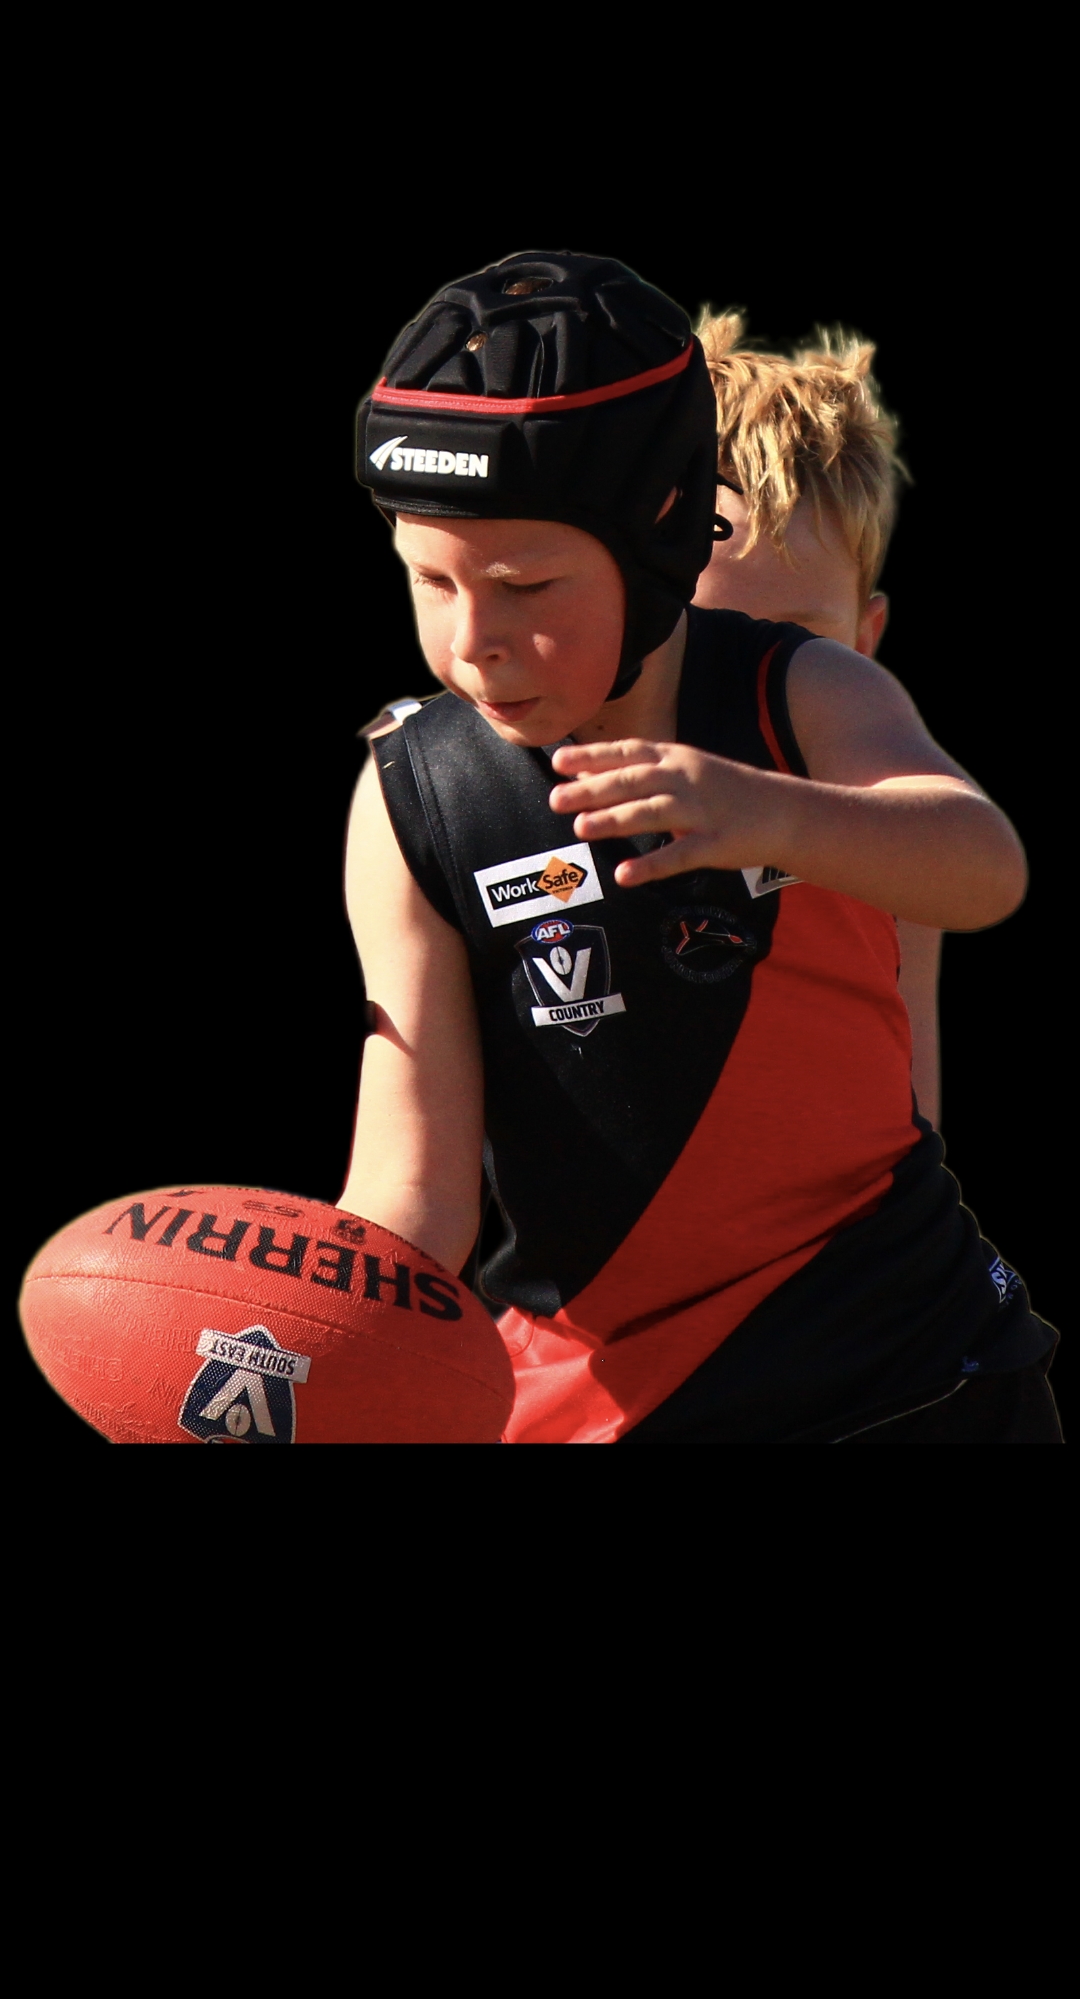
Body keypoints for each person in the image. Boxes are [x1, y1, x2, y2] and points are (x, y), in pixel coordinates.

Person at [339, 247, 1060, 1444]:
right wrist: (298, 1347)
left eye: (527, 585)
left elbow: (984, 869)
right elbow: (413, 1194)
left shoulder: (802, 698)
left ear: (660, 539)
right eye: (431, 580)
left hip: (904, 1373)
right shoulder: (414, 795)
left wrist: (770, 812)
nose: (475, 641)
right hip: (601, 1409)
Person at [690, 309, 941, 1127]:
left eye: (796, 643)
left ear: (866, 640)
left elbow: (910, 1105)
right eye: (704, 635)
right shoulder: (500, 799)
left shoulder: (899, 831)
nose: (749, 677)